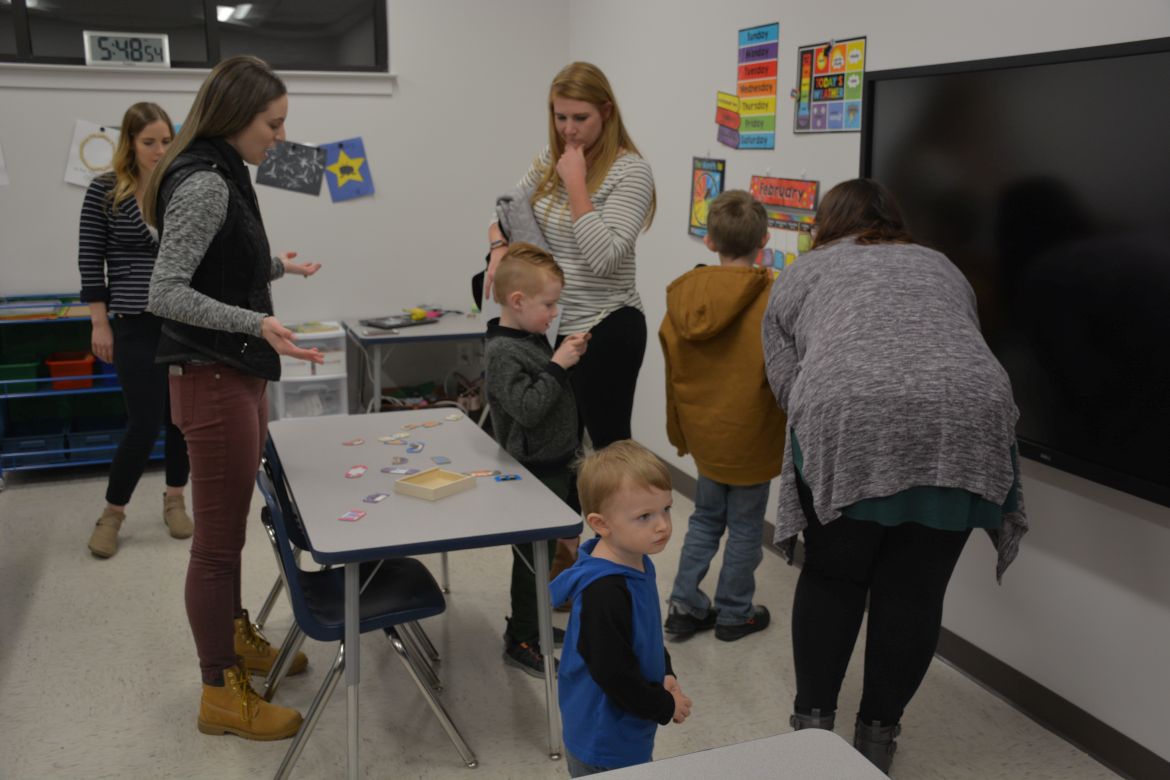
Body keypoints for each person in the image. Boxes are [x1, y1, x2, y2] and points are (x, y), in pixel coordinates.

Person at [762, 178, 1027, 772]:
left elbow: (786, 383)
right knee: (915, 591)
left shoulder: (805, 271)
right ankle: (877, 743)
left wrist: (839, 415)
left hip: (852, 408)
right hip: (969, 416)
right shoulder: (943, 265)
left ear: (826, 223)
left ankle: (813, 735)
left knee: (834, 577)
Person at [145, 55, 323, 741]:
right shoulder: (204, 182)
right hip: (211, 377)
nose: (280, 137)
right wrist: (256, 322)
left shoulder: (225, 170)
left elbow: (220, 265)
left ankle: (233, 634)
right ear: (235, 117)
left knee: (229, 534)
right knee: (216, 547)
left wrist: (279, 268)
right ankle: (218, 688)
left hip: (232, 372)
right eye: (272, 124)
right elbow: (166, 292)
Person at [485, 61, 656, 451]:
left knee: (610, 450)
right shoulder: (551, 156)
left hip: (605, 323)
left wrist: (576, 183)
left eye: (581, 118)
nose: (568, 129)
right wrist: (498, 247)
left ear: (606, 112)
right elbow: (504, 209)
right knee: (555, 445)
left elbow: (605, 259)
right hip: (549, 323)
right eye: (560, 117)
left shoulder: (631, 172)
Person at [659, 190, 785, 642]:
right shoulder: (774, 298)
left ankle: (683, 605)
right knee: (746, 526)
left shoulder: (685, 296)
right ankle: (734, 612)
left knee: (705, 519)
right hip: (752, 437)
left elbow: (674, 370)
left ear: (709, 241)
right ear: (764, 240)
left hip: (705, 435)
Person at [79, 102, 192, 559]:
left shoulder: (178, 188)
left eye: (166, 141)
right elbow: (91, 260)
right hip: (133, 324)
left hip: (180, 322)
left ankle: (175, 499)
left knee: (180, 420)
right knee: (143, 423)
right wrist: (99, 323)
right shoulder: (105, 191)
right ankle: (112, 513)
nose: (159, 150)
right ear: (129, 142)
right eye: (149, 142)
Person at [550, 440, 691, 777]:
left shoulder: (635, 559)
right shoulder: (605, 591)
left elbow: (644, 633)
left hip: (627, 722)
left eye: (666, 509)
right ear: (601, 524)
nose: (662, 525)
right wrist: (665, 705)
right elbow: (613, 673)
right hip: (604, 736)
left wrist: (665, 672)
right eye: (645, 516)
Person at [483, 243, 590, 676]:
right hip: (533, 472)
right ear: (518, 301)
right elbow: (527, 408)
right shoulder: (502, 351)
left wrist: (563, 362)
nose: (554, 312)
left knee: (543, 556)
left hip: (556, 463)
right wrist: (558, 366)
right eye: (548, 304)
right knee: (532, 561)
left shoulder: (528, 337)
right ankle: (522, 638)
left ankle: (534, 624)